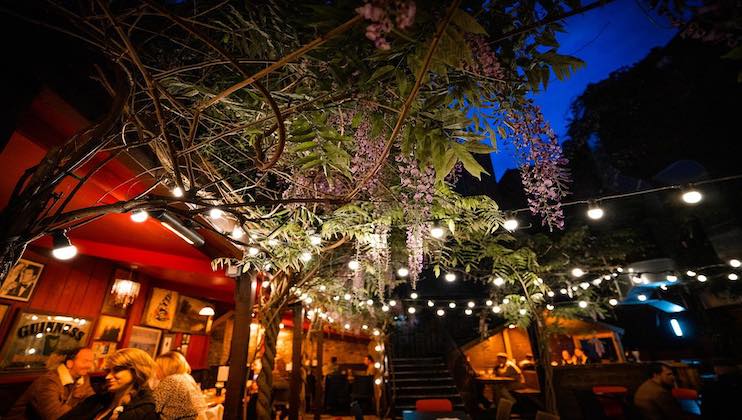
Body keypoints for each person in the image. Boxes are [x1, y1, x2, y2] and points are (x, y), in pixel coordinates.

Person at [59, 348, 159, 420]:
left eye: (116, 370)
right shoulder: (99, 399)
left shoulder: (144, 411)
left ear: (136, 372)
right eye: (109, 371)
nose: (108, 376)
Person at [5, 347, 95, 420]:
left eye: (91, 362)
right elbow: (55, 415)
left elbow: (92, 402)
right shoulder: (49, 381)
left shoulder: (83, 379)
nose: (89, 366)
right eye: (85, 361)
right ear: (70, 363)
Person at [153, 351, 207, 420]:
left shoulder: (170, 380)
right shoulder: (187, 377)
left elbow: (153, 407)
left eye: (157, 367)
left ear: (165, 368)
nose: (155, 370)